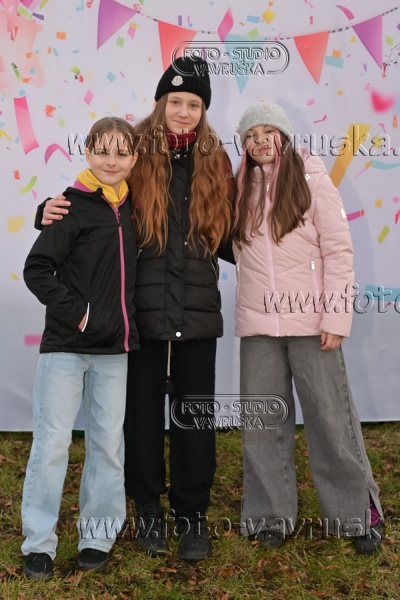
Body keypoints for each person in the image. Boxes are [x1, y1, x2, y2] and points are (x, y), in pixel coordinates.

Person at [36, 57, 234, 562]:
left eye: (194, 104)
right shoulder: (136, 153)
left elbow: (234, 234)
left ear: (204, 110)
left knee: (194, 416)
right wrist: (47, 211)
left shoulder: (215, 160)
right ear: (160, 102)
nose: (183, 112)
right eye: (175, 101)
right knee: (140, 417)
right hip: (140, 310)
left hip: (197, 311)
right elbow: (96, 202)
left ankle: (192, 514)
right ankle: (147, 507)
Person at [232, 99, 383, 555]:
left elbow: (339, 253)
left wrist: (336, 317)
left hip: (313, 322)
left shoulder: (314, 181)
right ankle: (269, 516)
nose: (260, 141)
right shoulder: (237, 190)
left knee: (330, 419)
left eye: (267, 132)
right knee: (262, 423)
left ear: (284, 136)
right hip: (258, 325)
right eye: (251, 135)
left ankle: (356, 514)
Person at [22, 117, 139, 579]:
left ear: (134, 158)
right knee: (52, 443)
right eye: (102, 151)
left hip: (114, 351)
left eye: (121, 152)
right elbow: (37, 269)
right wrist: (79, 314)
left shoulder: (136, 207)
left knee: (107, 444)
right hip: (65, 347)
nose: (111, 160)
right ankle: (38, 542)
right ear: (88, 152)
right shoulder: (68, 206)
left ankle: (97, 536)